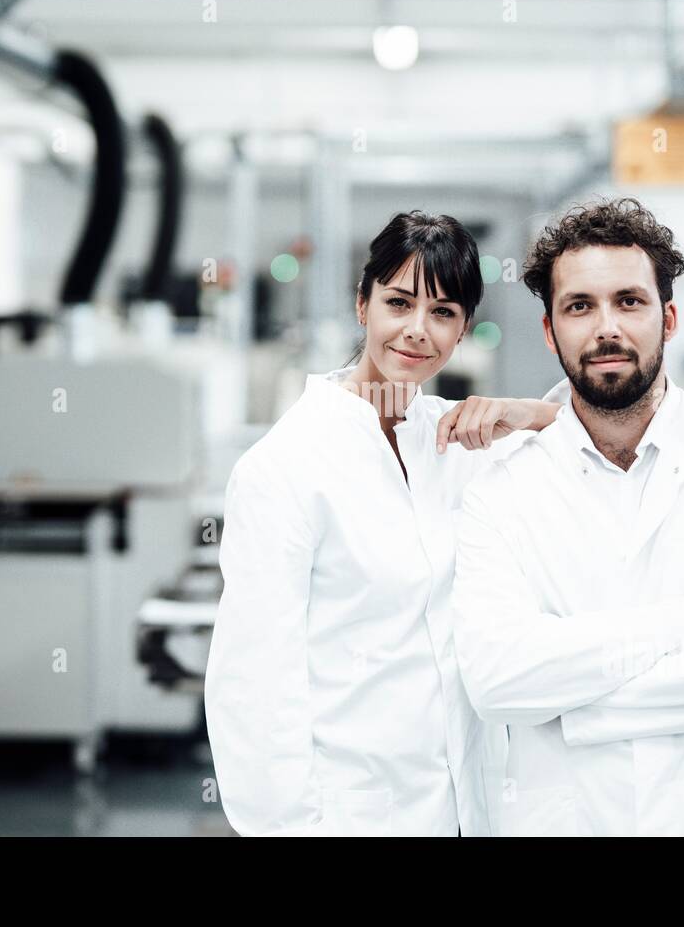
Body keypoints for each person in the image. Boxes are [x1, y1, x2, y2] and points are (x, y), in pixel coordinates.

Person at [451, 197, 684, 836]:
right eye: (579, 306)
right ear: (549, 331)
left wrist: (580, 710)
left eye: (629, 300)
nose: (606, 328)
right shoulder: (500, 483)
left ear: (668, 316)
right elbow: (499, 682)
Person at [205, 211, 566, 836]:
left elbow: (598, 442)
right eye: (399, 303)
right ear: (362, 304)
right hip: (349, 815)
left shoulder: (461, 444)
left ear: (464, 331)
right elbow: (254, 683)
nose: (417, 331)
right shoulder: (287, 467)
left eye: (444, 312)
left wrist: (522, 410)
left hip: (467, 809)